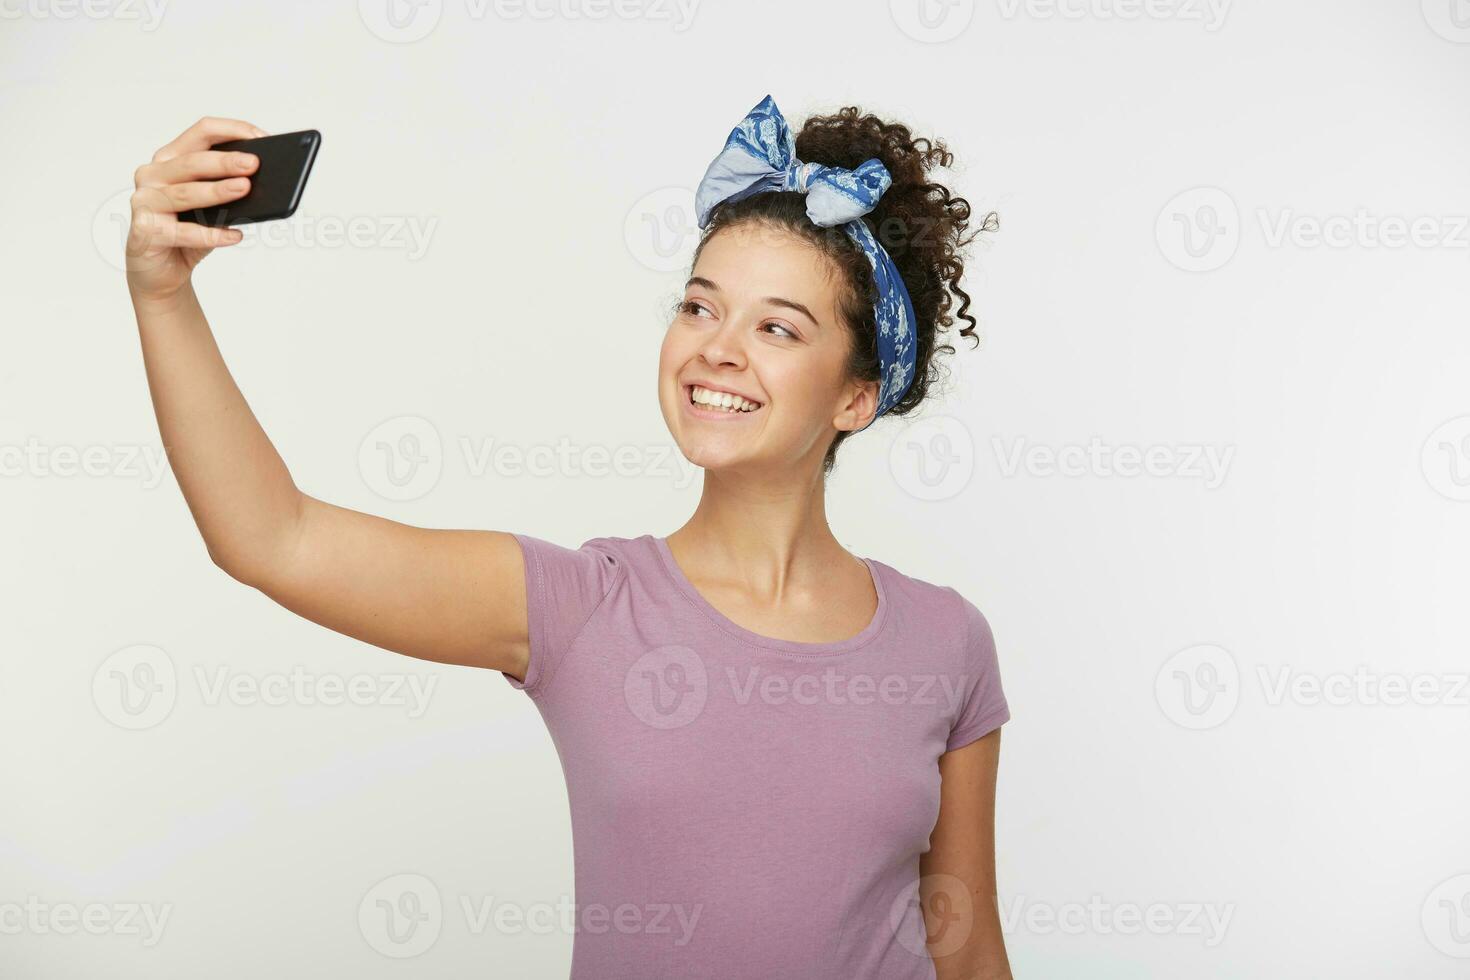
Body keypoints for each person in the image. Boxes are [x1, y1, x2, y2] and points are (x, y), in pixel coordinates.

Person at [124, 94, 1011, 979]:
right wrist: (162, 296)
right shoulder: (585, 609)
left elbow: (966, 949)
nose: (718, 348)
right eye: (700, 308)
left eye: (777, 327)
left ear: (857, 397)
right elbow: (274, 538)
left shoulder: (945, 641)